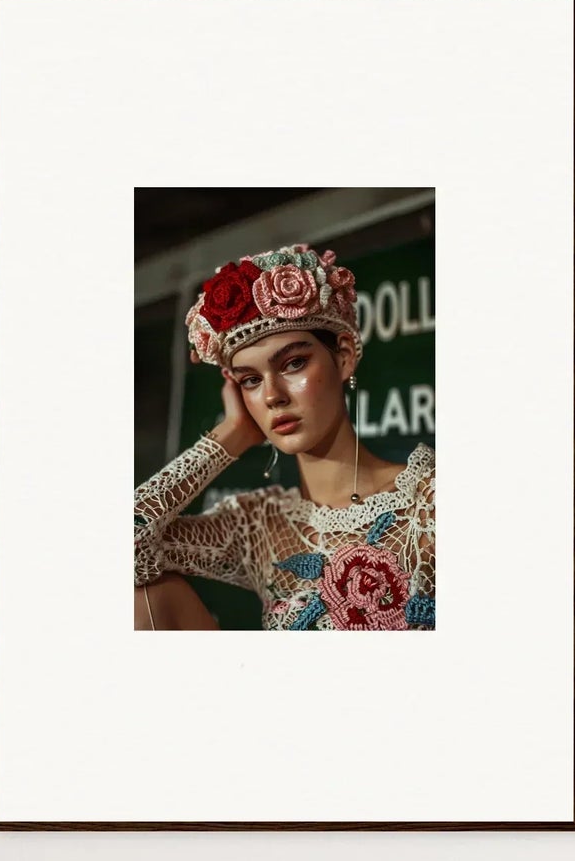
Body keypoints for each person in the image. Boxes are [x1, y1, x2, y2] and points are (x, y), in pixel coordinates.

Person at [134, 242, 434, 631]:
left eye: (293, 363)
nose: (273, 396)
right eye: (251, 380)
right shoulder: (259, 524)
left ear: (343, 356)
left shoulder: (429, 501)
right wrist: (233, 434)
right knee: (142, 596)